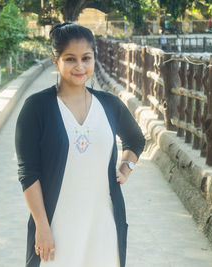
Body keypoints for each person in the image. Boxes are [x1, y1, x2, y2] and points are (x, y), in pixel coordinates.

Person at [15, 23, 145, 267]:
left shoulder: (109, 105)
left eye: (86, 58)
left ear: (94, 58)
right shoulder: (37, 108)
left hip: (104, 223)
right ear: (55, 61)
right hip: (56, 226)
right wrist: (42, 227)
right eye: (70, 59)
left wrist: (126, 168)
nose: (80, 66)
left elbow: (136, 139)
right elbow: (28, 174)